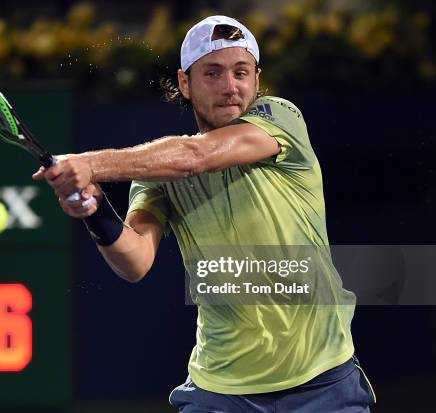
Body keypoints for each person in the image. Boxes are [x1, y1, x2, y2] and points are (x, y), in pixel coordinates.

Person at [33, 15, 376, 413]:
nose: (231, 87)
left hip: (324, 384)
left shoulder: (280, 117)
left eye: (241, 72)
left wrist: (89, 164)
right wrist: (94, 211)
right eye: (213, 73)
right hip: (222, 391)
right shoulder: (157, 174)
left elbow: (196, 157)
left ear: (256, 78)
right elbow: (136, 262)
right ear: (185, 83)